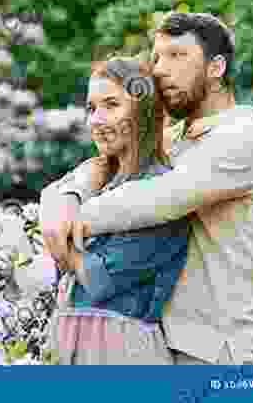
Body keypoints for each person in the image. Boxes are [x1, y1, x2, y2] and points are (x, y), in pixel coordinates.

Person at [40, 12, 253, 365]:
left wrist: (72, 218)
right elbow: (99, 165)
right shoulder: (173, 139)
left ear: (216, 68)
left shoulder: (244, 140)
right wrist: (63, 198)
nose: (160, 69)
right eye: (156, 57)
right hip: (163, 347)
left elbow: (159, 199)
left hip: (224, 354)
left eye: (177, 56)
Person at [42, 56, 193, 365]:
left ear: (144, 113)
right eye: (91, 108)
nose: (96, 120)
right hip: (72, 342)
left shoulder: (162, 192)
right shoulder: (95, 184)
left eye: (111, 105)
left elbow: (97, 278)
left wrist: (59, 235)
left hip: (120, 351)